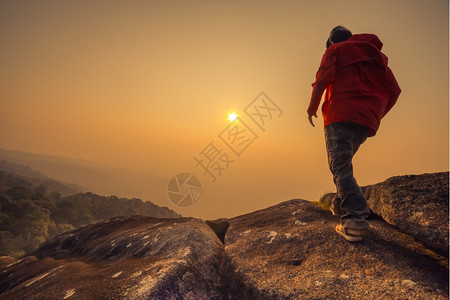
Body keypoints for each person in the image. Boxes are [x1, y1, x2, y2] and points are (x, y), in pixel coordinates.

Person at [307, 26, 401, 242]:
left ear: (331, 42)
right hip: (365, 120)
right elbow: (394, 91)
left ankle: (355, 218)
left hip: (339, 114)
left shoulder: (335, 51)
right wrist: (376, 113)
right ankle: (341, 203)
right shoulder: (376, 57)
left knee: (339, 163)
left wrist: (312, 107)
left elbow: (322, 79)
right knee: (344, 160)